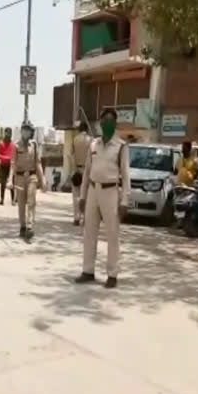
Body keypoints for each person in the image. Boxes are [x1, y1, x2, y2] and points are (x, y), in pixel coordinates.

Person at [75, 108, 130, 289]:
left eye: (111, 121)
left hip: (110, 192)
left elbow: (126, 176)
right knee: (89, 232)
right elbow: (86, 173)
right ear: (100, 122)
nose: (107, 123)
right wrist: (82, 197)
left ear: (115, 124)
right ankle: (88, 270)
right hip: (93, 190)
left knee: (112, 235)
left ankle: (112, 274)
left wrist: (124, 201)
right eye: (104, 120)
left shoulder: (121, 147)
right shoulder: (93, 145)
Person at [7, 120, 46, 243]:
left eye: (28, 130)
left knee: (31, 201)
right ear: (21, 130)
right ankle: (22, 226)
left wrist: (43, 179)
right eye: (24, 129)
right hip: (19, 177)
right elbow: (12, 164)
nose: (26, 131)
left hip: (31, 177)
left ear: (31, 132)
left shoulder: (34, 145)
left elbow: (38, 163)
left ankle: (30, 226)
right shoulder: (15, 145)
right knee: (21, 204)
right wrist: (10, 180)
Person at [70, 121, 93, 226]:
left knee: (76, 195)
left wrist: (74, 168)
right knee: (87, 196)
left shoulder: (75, 139)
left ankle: (76, 218)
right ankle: (85, 218)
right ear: (87, 129)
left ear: (79, 129)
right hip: (88, 171)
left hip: (77, 169)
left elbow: (70, 155)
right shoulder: (91, 140)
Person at [0, 128, 16, 205]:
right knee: (3, 183)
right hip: (3, 165)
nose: (8, 135)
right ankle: (2, 199)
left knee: (12, 183)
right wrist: (6, 158)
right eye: (7, 133)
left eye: (10, 133)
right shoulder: (1, 144)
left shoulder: (13, 145)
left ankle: (13, 200)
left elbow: (14, 156)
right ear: (5, 133)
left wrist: (9, 158)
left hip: (10, 166)